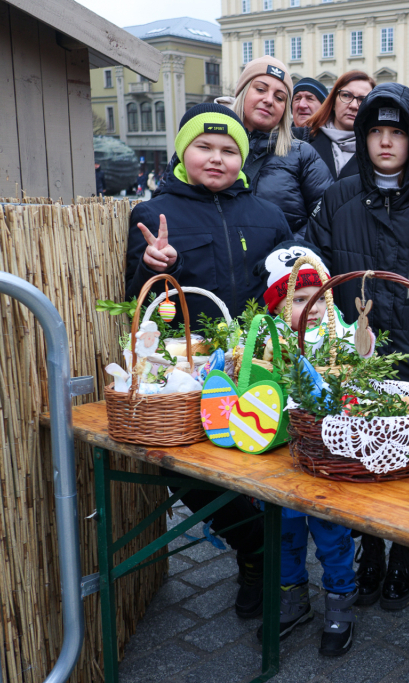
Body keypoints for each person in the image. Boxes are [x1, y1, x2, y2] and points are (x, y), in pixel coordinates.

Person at [304, 83, 409, 611]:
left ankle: (402, 553)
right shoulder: (339, 197)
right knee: (362, 455)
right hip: (358, 356)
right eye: (374, 130)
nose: (383, 142)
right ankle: (368, 548)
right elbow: (321, 272)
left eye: (395, 132)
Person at [124, 103, 294, 620]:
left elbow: (289, 286)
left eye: (228, 150)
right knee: (191, 473)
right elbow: (139, 297)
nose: (216, 158)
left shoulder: (268, 214)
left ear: (242, 158)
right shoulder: (154, 215)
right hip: (188, 370)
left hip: (261, 363)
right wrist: (153, 263)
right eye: (204, 147)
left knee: (265, 458)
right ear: (183, 151)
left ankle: (282, 570)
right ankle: (253, 549)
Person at [249, 241, 360, 655]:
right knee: (285, 531)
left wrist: (360, 336)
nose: (310, 308)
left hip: (326, 455)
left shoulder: (338, 334)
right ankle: (292, 598)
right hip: (280, 456)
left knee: (331, 532)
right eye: (298, 299)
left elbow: (361, 356)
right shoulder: (269, 338)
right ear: (278, 305)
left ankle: (340, 602)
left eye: (317, 298)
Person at [154, 57, 334, 241]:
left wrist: (285, 250)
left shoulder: (302, 154)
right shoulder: (199, 142)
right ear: (243, 92)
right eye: (260, 89)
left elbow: (328, 215)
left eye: (280, 97)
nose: (269, 100)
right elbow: (163, 205)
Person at [304, 71, 376, 180]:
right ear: (333, 101)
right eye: (346, 95)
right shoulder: (303, 138)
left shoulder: (376, 149)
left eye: (363, 99)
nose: (354, 105)